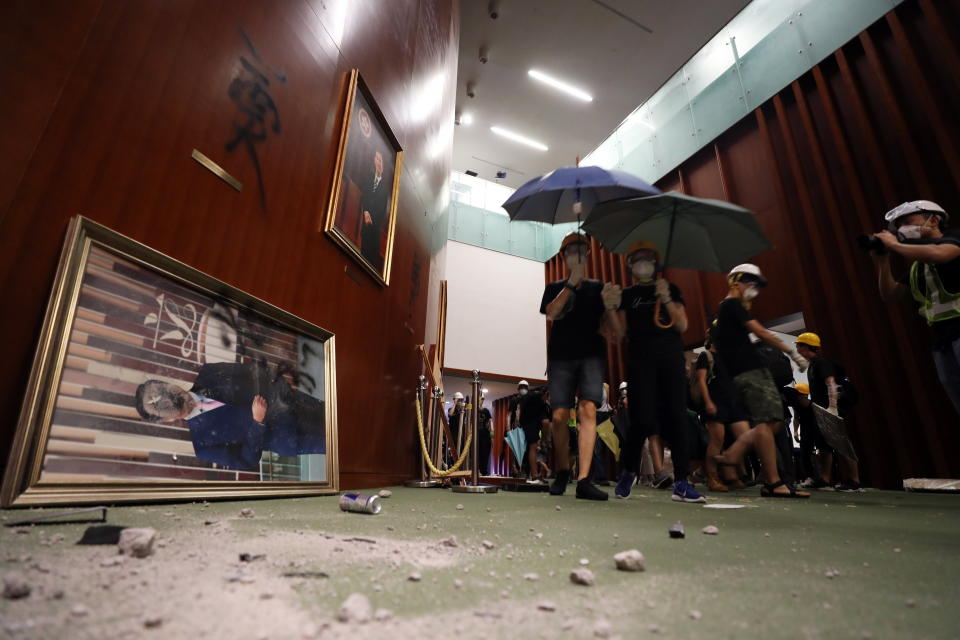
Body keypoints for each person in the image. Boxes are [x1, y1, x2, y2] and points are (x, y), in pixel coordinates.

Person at [612, 240, 704, 503]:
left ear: (656, 263)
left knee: (677, 418)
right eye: (638, 259)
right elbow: (618, 334)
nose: (643, 263)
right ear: (630, 265)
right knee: (641, 419)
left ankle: (682, 482)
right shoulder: (627, 295)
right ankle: (628, 472)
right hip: (640, 361)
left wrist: (667, 299)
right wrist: (609, 307)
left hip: (671, 358)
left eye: (648, 258)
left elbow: (683, 324)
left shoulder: (670, 288)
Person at [711, 264, 811, 498]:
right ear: (736, 282)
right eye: (751, 283)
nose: (754, 290)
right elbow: (763, 332)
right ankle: (774, 482)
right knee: (767, 423)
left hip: (745, 372)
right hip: (751, 372)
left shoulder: (726, 311)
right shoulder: (731, 305)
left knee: (773, 421)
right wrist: (792, 352)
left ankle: (735, 454)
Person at [540, 232, 622, 500]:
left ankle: (585, 478)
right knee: (559, 417)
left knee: (588, 410)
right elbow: (552, 312)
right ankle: (563, 469)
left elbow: (616, 333)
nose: (577, 255)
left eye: (581, 251)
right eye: (571, 251)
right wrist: (572, 284)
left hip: (591, 356)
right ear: (564, 257)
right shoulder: (554, 287)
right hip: (561, 357)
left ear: (587, 255)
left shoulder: (598, 287)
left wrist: (610, 307)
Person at [134, 362, 325, 470]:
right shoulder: (203, 444)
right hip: (292, 438)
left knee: (339, 414)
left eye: (161, 392)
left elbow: (256, 371)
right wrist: (257, 424)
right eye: (160, 406)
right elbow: (247, 461)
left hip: (296, 403)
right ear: (166, 420)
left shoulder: (209, 373)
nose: (166, 399)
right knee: (340, 444)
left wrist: (283, 389)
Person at [872, 200, 960, 415]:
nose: (902, 229)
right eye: (898, 225)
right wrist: (883, 262)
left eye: (908, 221)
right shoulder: (918, 267)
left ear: (934, 220)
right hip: (941, 339)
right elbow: (891, 294)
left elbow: (940, 254)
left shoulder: (955, 238)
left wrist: (894, 244)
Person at [795, 333, 862, 491]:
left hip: (830, 409)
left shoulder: (821, 363)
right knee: (824, 444)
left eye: (799, 345)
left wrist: (832, 407)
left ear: (806, 346)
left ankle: (854, 480)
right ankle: (825, 478)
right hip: (821, 410)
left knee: (841, 442)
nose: (797, 348)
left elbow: (830, 383)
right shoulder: (813, 364)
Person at [692, 334, 751, 492]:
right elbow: (701, 380)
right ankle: (713, 478)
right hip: (716, 402)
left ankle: (727, 471)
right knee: (716, 441)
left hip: (734, 403)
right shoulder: (706, 356)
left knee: (746, 437)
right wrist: (708, 402)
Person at [360, 150, 390, 270]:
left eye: (380, 160)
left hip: (374, 232)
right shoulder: (369, 179)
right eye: (377, 159)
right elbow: (365, 197)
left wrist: (371, 219)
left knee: (369, 265)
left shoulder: (385, 187)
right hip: (365, 230)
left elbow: (382, 210)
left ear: (383, 165)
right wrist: (366, 212)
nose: (378, 162)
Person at [517, 386, 551, 484]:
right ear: (546, 394)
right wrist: (518, 421)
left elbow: (546, 422)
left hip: (537, 419)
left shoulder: (544, 405)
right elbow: (521, 407)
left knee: (546, 422)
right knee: (533, 446)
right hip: (527, 421)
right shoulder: (532, 396)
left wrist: (545, 439)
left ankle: (544, 441)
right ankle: (534, 476)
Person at [477, 395, 493, 476]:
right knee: (477, 453)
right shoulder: (473, 410)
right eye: (481, 399)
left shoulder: (486, 411)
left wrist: (492, 432)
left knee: (485, 453)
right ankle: (477, 470)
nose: (482, 400)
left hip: (485, 434)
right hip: (476, 435)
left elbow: (490, 421)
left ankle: (484, 471)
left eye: (483, 399)